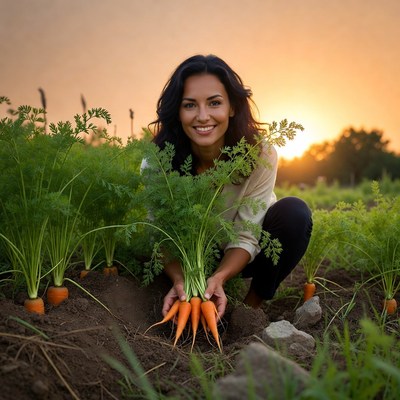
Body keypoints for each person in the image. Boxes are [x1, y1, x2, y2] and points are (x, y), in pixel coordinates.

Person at [149, 54, 312, 321]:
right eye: (190, 105)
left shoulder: (259, 154)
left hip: (242, 254)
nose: (203, 117)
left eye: (214, 103)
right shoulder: (157, 160)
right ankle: (187, 297)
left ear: (233, 107)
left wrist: (220, 278)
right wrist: (180, 282)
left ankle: (247, 311)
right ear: (178, 112)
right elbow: (159, 235)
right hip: (188, 256)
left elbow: (246, 235)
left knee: (295, 213)